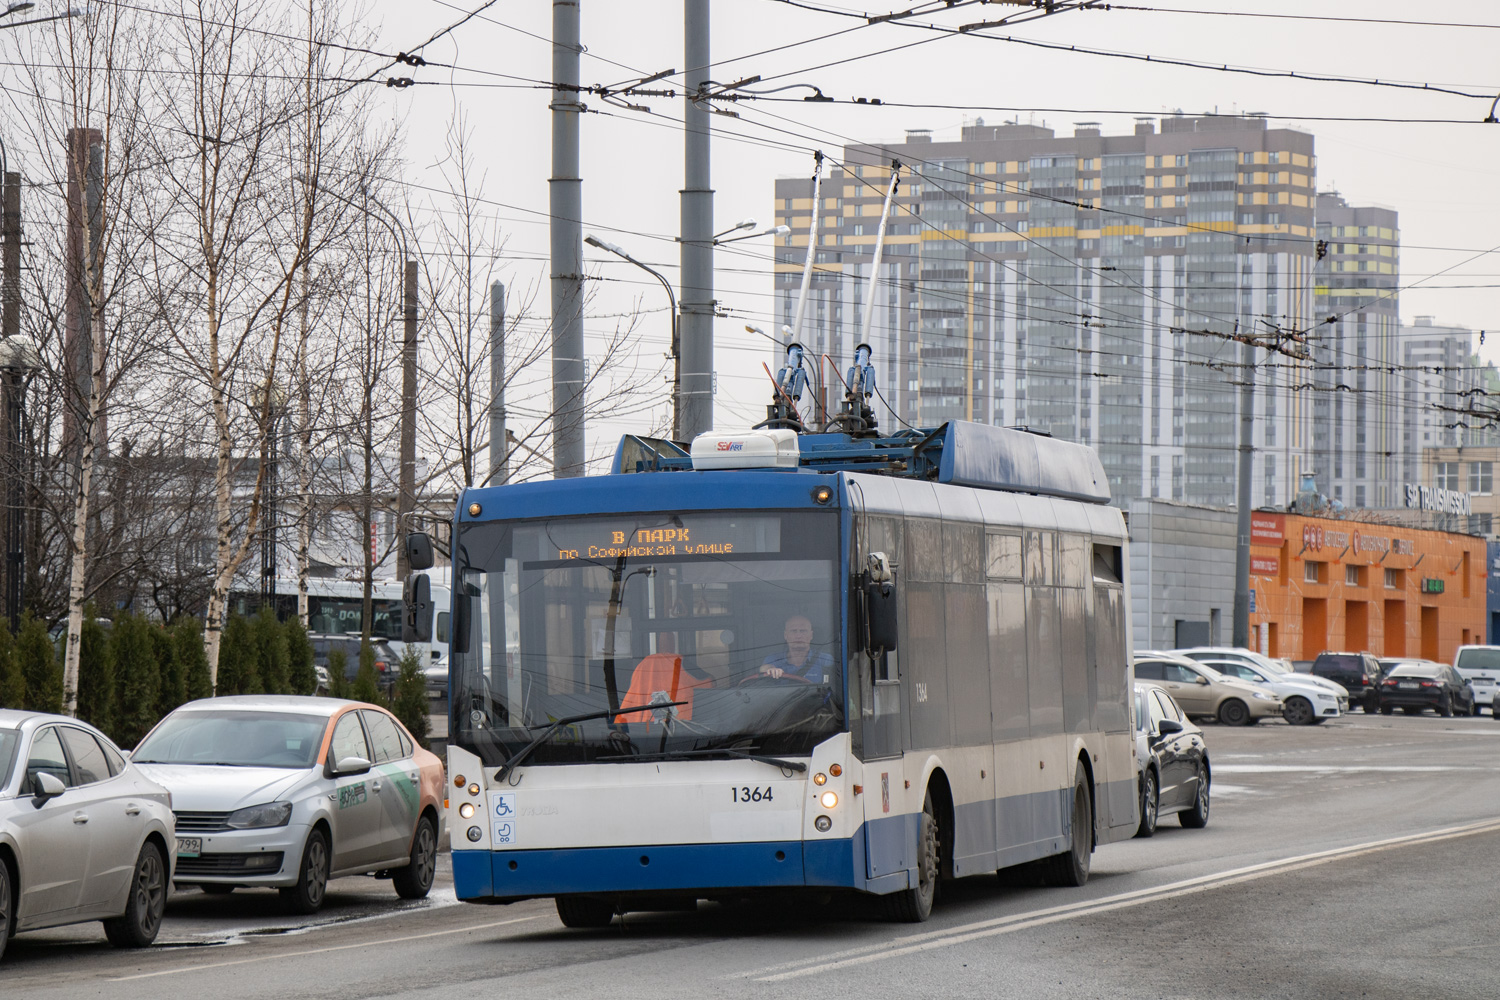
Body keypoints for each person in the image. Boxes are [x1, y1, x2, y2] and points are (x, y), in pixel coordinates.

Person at [758, 614, 834, 683]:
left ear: (811, 635)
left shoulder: (825, 660)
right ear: (786, 635)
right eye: (794, 631)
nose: (798, 636)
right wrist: (770, 670)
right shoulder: (773, 660)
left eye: (803, 631)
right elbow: (763, 669)